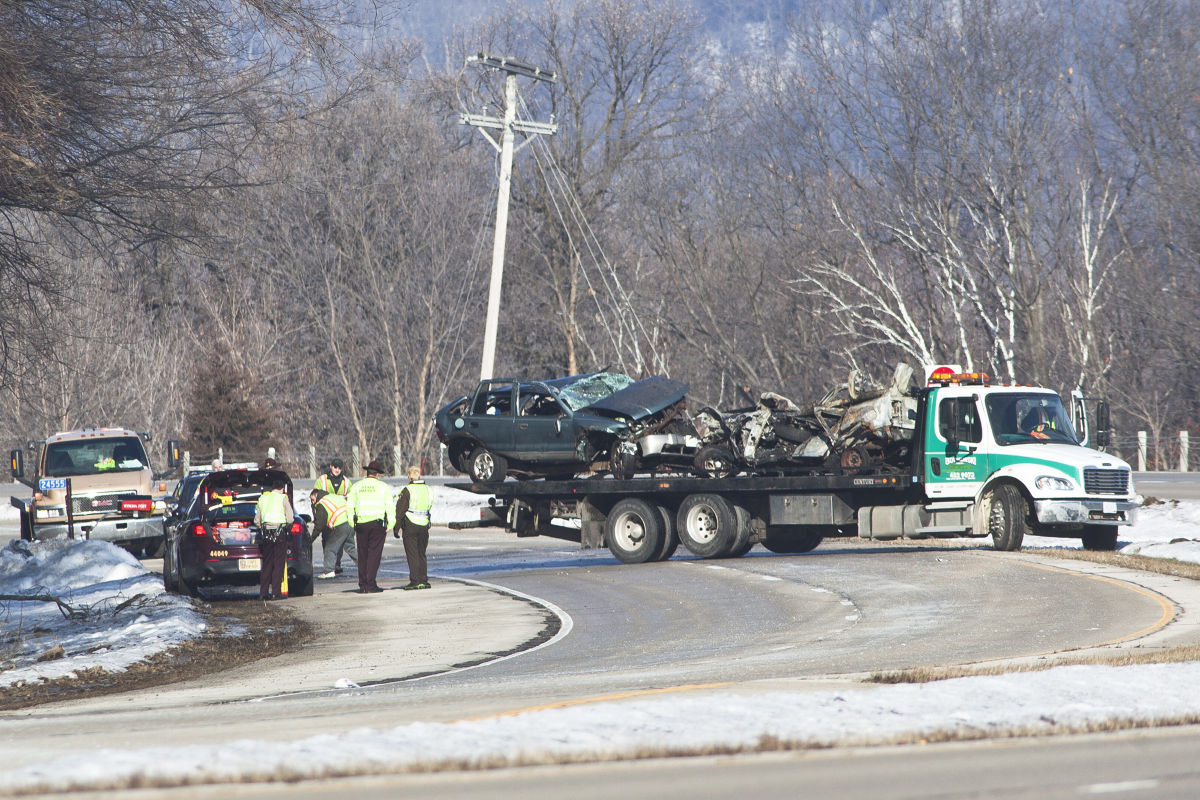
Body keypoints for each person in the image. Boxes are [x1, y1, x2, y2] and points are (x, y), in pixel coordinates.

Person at [346, 459, 392, 594]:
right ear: (378, 474)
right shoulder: (383, 487)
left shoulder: (357, 486)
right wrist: (391, 524)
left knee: (362, 555)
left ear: (367, 472)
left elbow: (349, 506)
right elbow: (389, 507)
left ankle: (363, 585)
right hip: (377, 525)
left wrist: (351, 522)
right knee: (374, 555)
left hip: (361, 524)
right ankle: (371, 584)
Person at [393, 465, 434, 590]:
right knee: (422, 553)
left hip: (410, 525)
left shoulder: (408, 490)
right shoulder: (429, 490)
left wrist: (396, 528)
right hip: (424, 525)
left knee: (412, 554)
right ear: (419, 476)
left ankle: (415, 580)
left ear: (409, 477)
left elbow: (400, 510)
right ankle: (424, 579)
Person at [254, 479, 293, 600]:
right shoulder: (283, 498)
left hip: (266, 534)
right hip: (279, 532)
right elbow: (290, 518)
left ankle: (263, 593)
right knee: (278, 563)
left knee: (267, 564)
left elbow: (256, 520)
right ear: (282, 489)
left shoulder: (262, 499)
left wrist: (263, 528)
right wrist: (287, 528)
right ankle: (276, 592)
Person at [314, 458, 353, 573]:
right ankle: (329, 564)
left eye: (339, 467)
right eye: (335, 467)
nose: (337, 469)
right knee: (327, 541)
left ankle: (336, 563)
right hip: (327, 517)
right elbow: (315, 498)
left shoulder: (347, 482)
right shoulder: (322, 481)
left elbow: (351, 499)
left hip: (341, 517)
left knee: (340, 541)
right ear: (331, 466)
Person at [310, 487, 358, 579]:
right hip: (350, 523)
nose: (312, 503)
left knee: (330, 547)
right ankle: (365, 567)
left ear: (316, 495)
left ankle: (329, 571)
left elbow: (319, 525)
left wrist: (311, 539)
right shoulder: (332, 496)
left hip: (340, 525)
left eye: (312, 500)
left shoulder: (321, 503)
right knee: (350, 548)